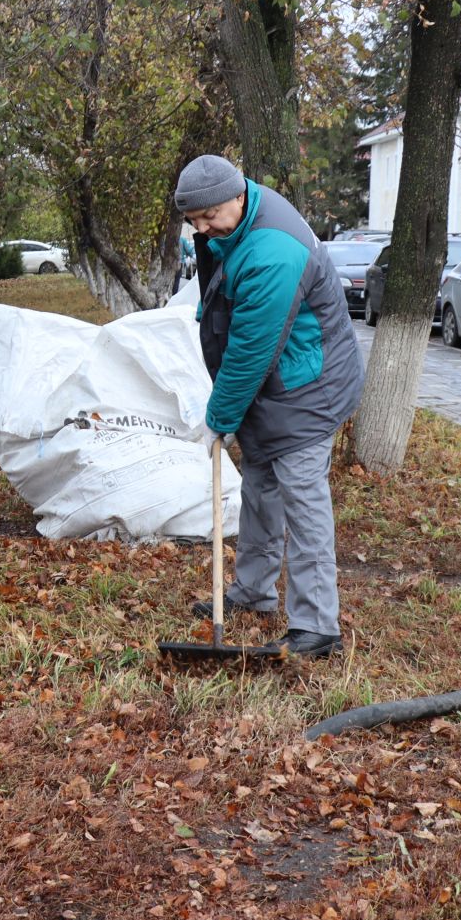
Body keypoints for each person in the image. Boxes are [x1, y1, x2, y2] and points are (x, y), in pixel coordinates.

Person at [177, 154, 363, 658]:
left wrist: (220, 419)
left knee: (303, 504)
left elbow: (251, 349)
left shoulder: (272, 252)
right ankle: (253, 591)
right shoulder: (238, 219)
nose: (203, 230)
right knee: (260, 487)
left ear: (237, 197)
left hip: (307, 387)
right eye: (194, 221)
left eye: (208, 217)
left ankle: (317, 627)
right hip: (276, 386)